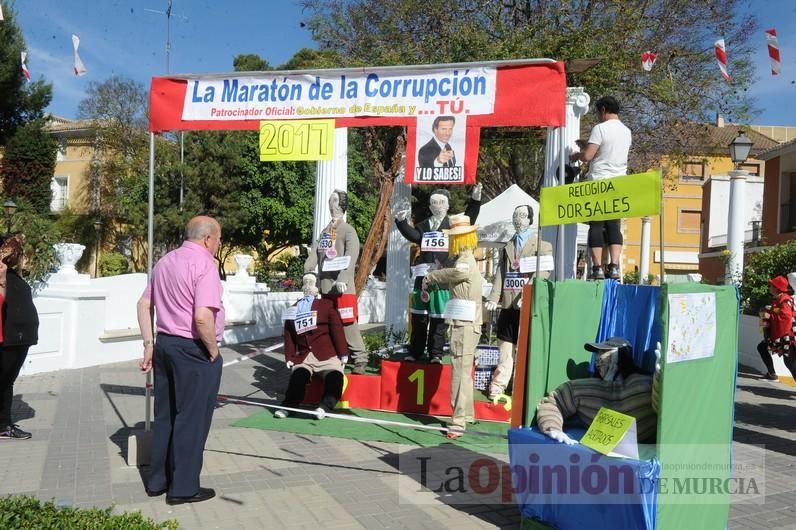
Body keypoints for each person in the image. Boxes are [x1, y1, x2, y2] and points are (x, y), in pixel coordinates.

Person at [137, 216, 224, 505]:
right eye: (219, 239)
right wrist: (212, 350)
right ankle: (183, 487)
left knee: (166, 415)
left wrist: (149, 344)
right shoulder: (205, 266)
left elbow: (143, 304)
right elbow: (202, 317)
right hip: (193, 348)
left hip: (165, 344)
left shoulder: (164, 262)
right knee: (192, 419)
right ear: (208, 239)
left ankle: (158, 480)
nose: (219, 245)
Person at [395, 186, 482, 363]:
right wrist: (401, 221)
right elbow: (413, 235)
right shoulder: (423, 225)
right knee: (419, 316)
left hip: (443, 276)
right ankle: (416, 351)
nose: (437, 206)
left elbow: (470, 217)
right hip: (423, 276)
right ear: (429, 205)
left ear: (448, 205)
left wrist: (475, 199)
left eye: (441, 202)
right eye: (434, 202)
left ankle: (435, 353)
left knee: (439, 318)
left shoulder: (453, 225)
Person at [423, 215, 483, 439]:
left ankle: (457, 423)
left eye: (451, 238)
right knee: (463, 370)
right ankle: (466, 414)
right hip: (464, 322)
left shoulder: (464, 260)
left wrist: (432, 276)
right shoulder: (465, 257)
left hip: (464, 323)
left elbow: (460, 273)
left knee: (459, 371)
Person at [484, 205, 552, 399]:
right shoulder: (508, 246)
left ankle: (520, 387)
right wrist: (493, 296)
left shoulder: (542, 245)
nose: (518, 219)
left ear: (531, 220)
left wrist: (528, 292)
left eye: (523, 216)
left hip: (526, 305)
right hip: (507, 304)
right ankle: (498, 385)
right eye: (516, 216)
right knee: (505, 348)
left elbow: (544, 271)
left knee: (524, 349)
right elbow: (501, 272)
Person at [537, 338, 658, 445]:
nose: (598, 358)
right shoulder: (586, 388)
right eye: (597, 353)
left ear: (622, 355)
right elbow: (555, 401)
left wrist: (661, 377)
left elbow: (663, 403)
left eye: (605, 352)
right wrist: (553, 428)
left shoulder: (644, 385)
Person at [304, 190, 368, 374]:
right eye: (330, 199)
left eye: (334, 200)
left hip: (342, 287)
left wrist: (343, 278)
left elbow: (351, 255)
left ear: (341, 204)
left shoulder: (348, 230)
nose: (331, 203)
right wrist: (308, 272)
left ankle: (360, 358)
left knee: (348, 323)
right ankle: (336, 355)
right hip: (325, 286)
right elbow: (316, 252)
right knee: (328, 323)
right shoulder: (325, 231)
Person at [570, 96, 632, 280]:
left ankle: (597, 267)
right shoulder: (626, 131)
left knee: (596, 225)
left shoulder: (600, 128)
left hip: (598, 182)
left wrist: (576, 156)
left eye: (598, 112)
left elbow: (588, 156)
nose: (598, 116)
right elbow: (608, 152)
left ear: (603, 110)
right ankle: (614, 265)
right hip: (619, 183)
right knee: (614, 225)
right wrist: (588, 146)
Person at [276, 274, 347, 419]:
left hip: (327, 355)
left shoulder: (326, 306)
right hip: (304, 356)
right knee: (298, 377)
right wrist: (289, 356)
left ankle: (324, 407)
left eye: (311, 281)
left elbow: (337, 330)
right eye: (306, 281)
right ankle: (288, 407)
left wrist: (343, 354)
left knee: (335, 378)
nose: (308, 284)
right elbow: (289, 335)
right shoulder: (293, 309)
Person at [0, 234, 38, 441]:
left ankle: (4, 424)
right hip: (8, 338)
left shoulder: (12, 274)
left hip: (19, 339)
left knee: (6, 382)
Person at [756, 275, 796, 381]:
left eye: (771, 285)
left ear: (776, 288)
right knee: (762, 347)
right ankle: (771, 373)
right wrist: (772, 310)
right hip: (784, 336)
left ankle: (772, 374)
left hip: (787, 337)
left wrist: (771, 313)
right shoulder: (781, 299)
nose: (769, 287)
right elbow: (780, 312)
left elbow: (785, 317)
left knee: (790, 362)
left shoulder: (784, 301)